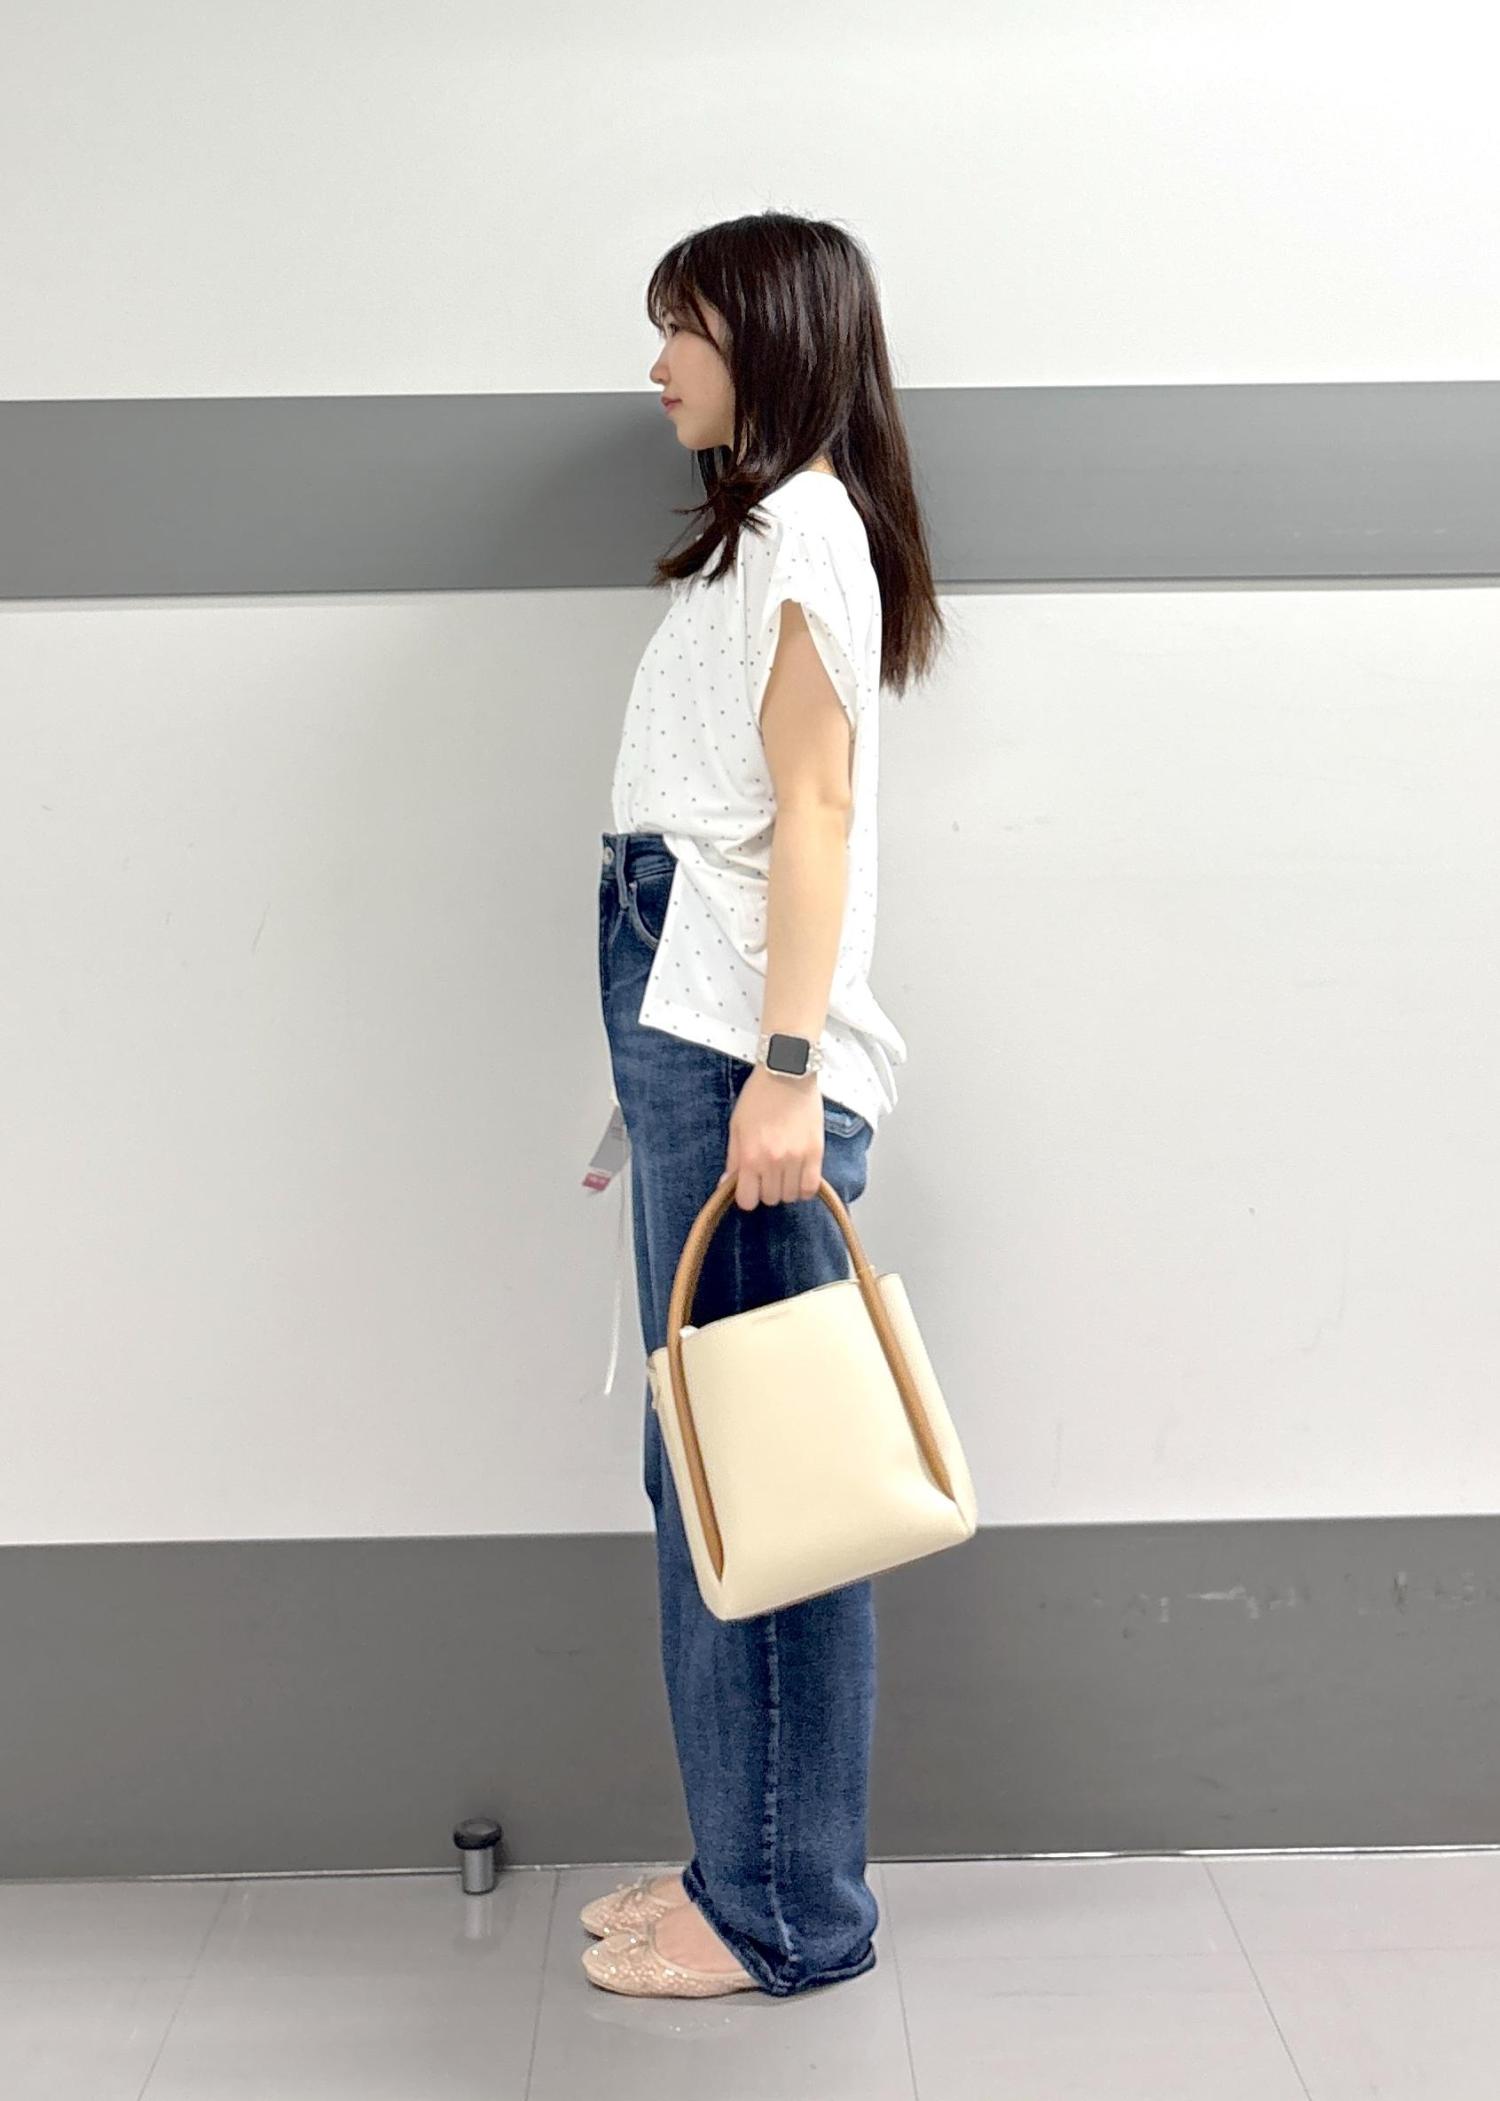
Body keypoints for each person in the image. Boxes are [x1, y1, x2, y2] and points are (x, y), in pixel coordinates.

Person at [584, 210, 946, 2000]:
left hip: (744, 1053)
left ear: (774, 340)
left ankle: (787, 1910)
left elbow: (814, 814)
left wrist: (782, 1071)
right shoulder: (759, 529)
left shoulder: (807, 525)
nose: (657, 365)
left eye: (686, 330)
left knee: (767, 1468)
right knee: (711, 1458)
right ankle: (743, 1856)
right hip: (703, 1031)